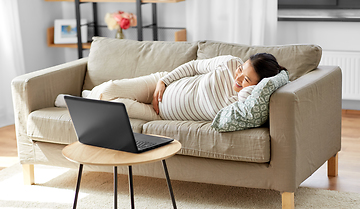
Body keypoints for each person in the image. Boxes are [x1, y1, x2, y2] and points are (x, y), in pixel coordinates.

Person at [84, 53, 287, 122]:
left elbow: (255, 95)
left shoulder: (241, 102)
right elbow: (193, 65)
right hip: (161, 84)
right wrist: (163, 82)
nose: (239, 78)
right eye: (241, 69)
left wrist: (263, 84)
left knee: (109, 104)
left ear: (257, 86)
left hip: (160, 113)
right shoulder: (229, 63)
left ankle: (84, 99)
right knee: (109, 89)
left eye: (247, 80)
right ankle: (86, 96)